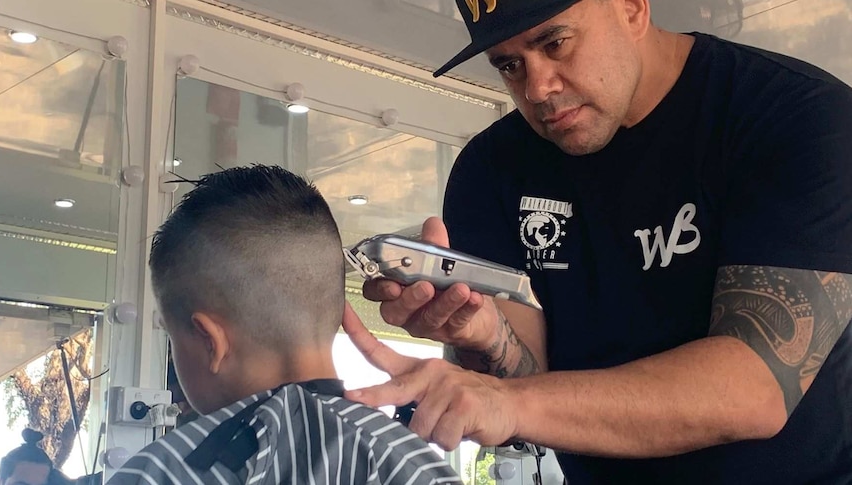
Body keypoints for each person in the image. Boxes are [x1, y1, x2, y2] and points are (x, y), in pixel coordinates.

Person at [349, 0, 852, 483]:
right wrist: (482, 338)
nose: (538, 88)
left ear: (632, 7)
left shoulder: (795, 114)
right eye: (509, 65)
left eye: (556, 43)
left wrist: (509, 404)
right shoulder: (491, 171)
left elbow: (756, 387)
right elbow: (527, 385)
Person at [107, 165, 460, 484]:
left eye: (173, 338)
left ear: (209, 341)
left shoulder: (161, 473)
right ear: (332, 313)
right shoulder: (417, 466)